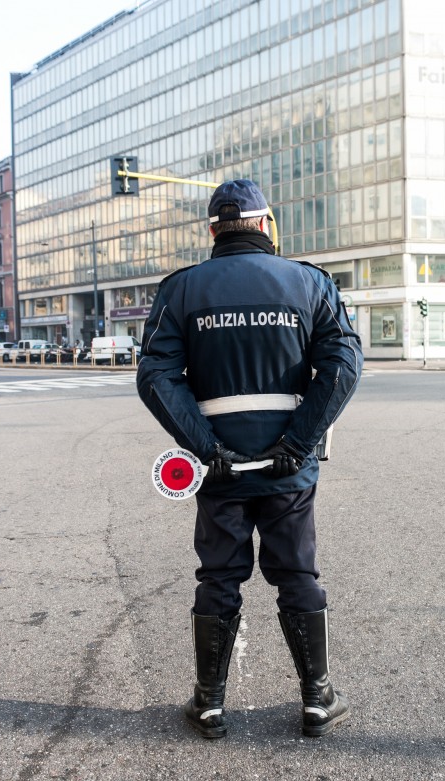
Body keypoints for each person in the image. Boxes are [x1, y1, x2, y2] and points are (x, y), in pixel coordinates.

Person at [136, 179, 363, 740]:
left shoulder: (182, 290)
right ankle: (316, 699)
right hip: (289, 469)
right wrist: (298, 443)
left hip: (220, 470)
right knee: (297, 573)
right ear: (266, 224)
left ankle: (209, 704)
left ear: (213, 229)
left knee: (219, 576)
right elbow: (342, 368)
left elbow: (156, 375)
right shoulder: (309, 283)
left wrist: (205, 448)